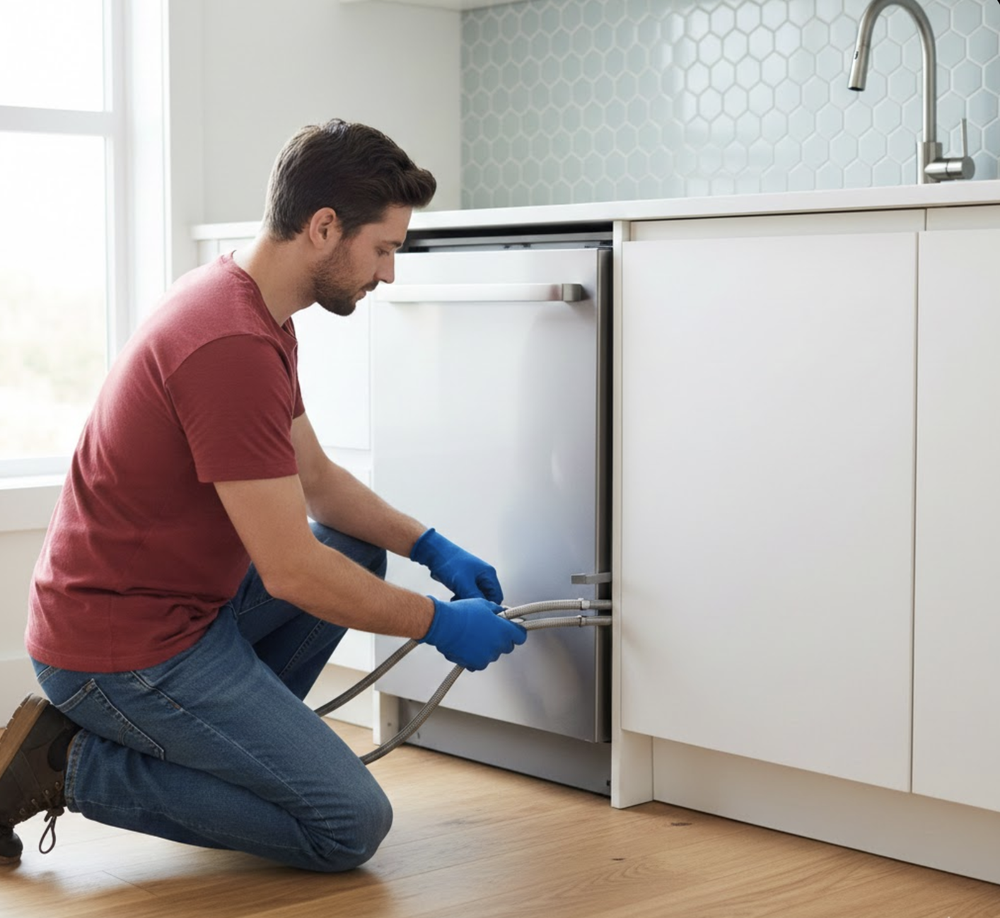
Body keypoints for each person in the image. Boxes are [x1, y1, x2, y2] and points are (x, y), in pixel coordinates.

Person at [0, 119, 527, 871]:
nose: (388, 275)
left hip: (177, 611)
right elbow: (291, 572)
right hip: (120, 651)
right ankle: (63, 764)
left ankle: (230, 747)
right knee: (348, 825)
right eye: (383, 249)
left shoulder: (249, 305)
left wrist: (430, 546)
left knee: (356, 549)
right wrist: (436, 623)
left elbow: (318, 483)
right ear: (324, 228)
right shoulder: (232, 346)